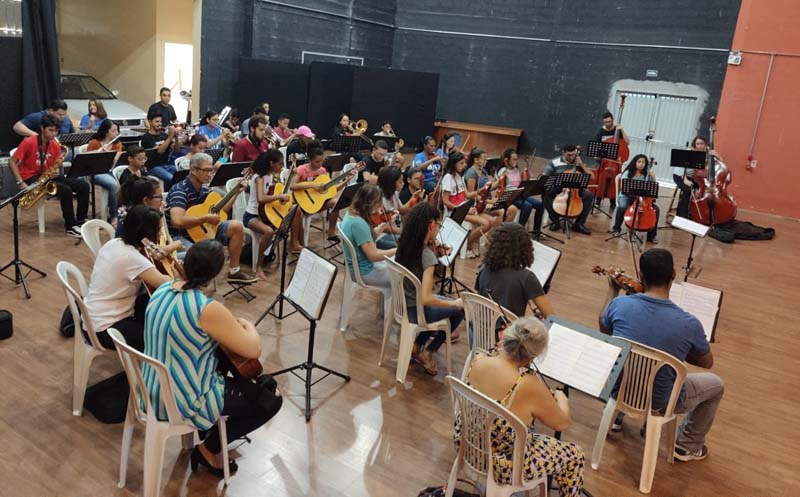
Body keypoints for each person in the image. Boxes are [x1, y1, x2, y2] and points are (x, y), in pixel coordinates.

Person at [143, 240, 281, 477]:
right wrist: (248, 324)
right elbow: (253, 349)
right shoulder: (205, 308)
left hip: (150, 388)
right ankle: (208, 448)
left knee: (260, 383)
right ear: (215, 273)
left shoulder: (162, 289)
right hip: (182, 399)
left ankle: (210, 433)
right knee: (271, 400)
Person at [599, 248, 724, 461]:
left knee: (629, 358)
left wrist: (612, 291)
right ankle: (686, 445)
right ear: (673, 275)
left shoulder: (620, 304)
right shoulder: (689, 323)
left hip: (618, 389)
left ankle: (617, 417)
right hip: (661, 401)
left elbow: (604, 328)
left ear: (640, 276)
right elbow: (707, 363)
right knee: (716, 384)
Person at [461, 318, 585, 497]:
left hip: (469, 446)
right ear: (533, 355)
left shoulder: (479, 360)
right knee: (575, 455)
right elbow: (562, 424)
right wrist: (561, 397)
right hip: (502, 465)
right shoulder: (527, 383)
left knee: (526, 423)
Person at [85, 205, 171, 351]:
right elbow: (165, 283)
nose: (159, 235)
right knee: (163, 343)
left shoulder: (114, 243)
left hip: (92, 318)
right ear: (147, 235)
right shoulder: (133, 258)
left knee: (150, 303)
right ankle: (145, 372)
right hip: (106, 328)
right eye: (158, 231)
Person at [395, 203, 464, 375]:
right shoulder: (427, 256)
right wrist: (455, 302)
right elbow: (427, 298)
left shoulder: (405, 244)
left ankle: (417, 346)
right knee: (460, 309)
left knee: (450, 304)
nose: (439, 229)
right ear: (431, 225)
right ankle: (428, 351)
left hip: (403, 305)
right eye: (439, 225)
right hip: (417, 311)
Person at [166, 152, 257, 283]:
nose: (210, 174)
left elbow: (222, 211)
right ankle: (193, 284)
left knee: (236, 226)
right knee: (200, 253)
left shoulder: (204, 190)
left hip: (202, 230)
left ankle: (234, 271)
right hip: (179, 236)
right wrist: (205, 219)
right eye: (206, 170)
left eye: (211, 170)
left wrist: (236, 192)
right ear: (193, 170)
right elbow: (177, 221)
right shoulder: (180, 191)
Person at [9, 114, 89, 237]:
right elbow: (12, 162)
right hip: (31, 177)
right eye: (50, 130)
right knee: (66, 191)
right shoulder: (29, 142)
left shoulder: (55, 145)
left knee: (83, 186)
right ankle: (70, 226)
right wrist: (20, 182)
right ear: (42, 128)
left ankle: (81, 220)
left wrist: (56, 170)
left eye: (56, 131)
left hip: (47, 176)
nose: (53, 134)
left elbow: (54, 166)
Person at [476, 222, 554, 322]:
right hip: (507, 335)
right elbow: (552, 318)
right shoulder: (526, 277)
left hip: (477, 333)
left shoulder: (483, 268)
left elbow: (482, 299)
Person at [290, 147, 357, 248]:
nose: (320, 164)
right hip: (302, 204)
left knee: (335, 202)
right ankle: (295, 243)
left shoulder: (322, 171)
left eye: (321, 161)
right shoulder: (302, 169)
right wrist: (312, 185)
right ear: (310, 160)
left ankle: (331, 232)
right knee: (297, 210)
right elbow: (292, 186)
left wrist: (346, 181)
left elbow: (332, 190)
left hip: (317, 204)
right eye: (317, 161)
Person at [441, 151, 500, 258]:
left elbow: (467, 195)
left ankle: (469, 244)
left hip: (465, 209)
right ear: (454, 163)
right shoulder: (448, 178)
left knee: (491, 220)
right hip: (455, 212)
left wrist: (481, 190)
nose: (464, 166)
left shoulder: (459, 177)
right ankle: (465, 244)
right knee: (485, 223)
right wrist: (464, 210)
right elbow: (446, 201)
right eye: (461, 163)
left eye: (464, 163)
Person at [339, 184, 397, 289]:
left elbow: (367, 238)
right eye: (378, 204)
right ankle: (397, 305)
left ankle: (390, 303)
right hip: (364, 272)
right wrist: (397, 250)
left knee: (397, 263)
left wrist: (384, 224)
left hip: (357, 266)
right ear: (371, 204)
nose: (380, 207)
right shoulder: (359, 224)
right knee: (404, 278)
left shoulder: (350, 214)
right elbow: (373, 256)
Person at [245, 150, 285, 280]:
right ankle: (258, 266)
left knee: (284, 224)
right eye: (280, 164)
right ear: (271, 163)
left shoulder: (270, 175)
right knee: (268, 232)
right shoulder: (259, 177)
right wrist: (279, 196)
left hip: (265, 214)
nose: (282, 166)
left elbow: (270, 196)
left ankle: (268, 254)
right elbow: (261, 199)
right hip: (251, 216)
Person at [542, 144, 593, 235]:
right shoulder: (554, 162)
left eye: (573, 154)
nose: (571, 157)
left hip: (575, 189)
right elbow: (545, 177)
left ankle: (579, 224)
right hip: (559, 188)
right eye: (569, 155)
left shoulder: (578, 162)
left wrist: (581, 165)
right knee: (545, 193)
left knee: (588, 195)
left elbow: (592, 176)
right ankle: (555, 221)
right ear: (563, 152)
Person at [611, 154, 660, 242]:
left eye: (643, 162)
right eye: (639, 162)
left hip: (641, 198)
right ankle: (616, 229)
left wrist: (653, 177)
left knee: (656, 209)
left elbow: (652, 188)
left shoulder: (646, 175)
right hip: (626, 196)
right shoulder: (628, 172)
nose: (641, 164)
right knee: (622, 207)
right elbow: (623, 187)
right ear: (635, 162)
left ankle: (651, 236)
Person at [497, 148, 545, 233]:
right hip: (510, 196)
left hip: (520, 194)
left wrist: (527, 176)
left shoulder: (515, 169)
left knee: (540, 205)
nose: (516, 161)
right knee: (527, 206)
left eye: (516, 159)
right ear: (506, 160)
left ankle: (537, 230)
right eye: (514, 159)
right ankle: (519, 230)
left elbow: (520, 183)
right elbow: (501, 187)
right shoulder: (503, 171)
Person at [86, 119, 123, 224]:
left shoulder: (117, 144)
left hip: (111, 170)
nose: (116, 133)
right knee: (113, 185)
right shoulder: (94, 142)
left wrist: (111, 156)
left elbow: (116, 161)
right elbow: (87, 160)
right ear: (106, 131)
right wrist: (99, 153)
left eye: (117, 130)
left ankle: (124, 212)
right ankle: (114, 215)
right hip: (96, 172)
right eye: (114, 130)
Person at [463, 147, 511, 224]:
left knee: (508, 210)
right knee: (502, 211)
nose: (486, 161)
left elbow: (490, 187)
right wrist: (489, 201)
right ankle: (495, 235)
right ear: (476, 160)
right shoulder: (471, 174)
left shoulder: (483, 170)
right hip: (478, 204)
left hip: (486, 200)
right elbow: (472, 196)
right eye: (484, 159)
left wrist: (501, 178)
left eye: (486, 159)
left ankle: (499, 232)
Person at [673, 136, 716, 218]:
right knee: (687, 190)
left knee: (704, 190)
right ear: (694, 145)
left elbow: (719, 163)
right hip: (680, 175)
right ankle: (681, 216)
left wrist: (715, 155)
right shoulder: (689, 152)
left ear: (705, 144)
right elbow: (681, 167)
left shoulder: (708, 153)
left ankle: (695, 211)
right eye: (697, 144)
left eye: (701, 144)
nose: (699, 146)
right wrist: (685, 180)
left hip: (695, 177)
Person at [594, 111, 630, 210]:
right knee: (601, 179)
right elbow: (596, 148)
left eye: (609, 122)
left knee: (615, 180)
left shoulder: (617, 130)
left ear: (613, 120)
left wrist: (622, 130)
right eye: (606, 122)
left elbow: (627, 143)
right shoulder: (600, 132)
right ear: (603, 122)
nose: (608, 124)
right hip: (604, 161)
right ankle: (598, 199)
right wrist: (597, 156)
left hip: (616, 162)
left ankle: (613, 200)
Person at [141, 110, 181, 184]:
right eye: (157, 121)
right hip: (153, 167)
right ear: (150, 122)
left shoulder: (164, 135)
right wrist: (170, 137)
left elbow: (177, 149)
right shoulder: (146, 137)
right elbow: (159, 151)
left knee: (182, 173)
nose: (159, 124)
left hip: (167, 165)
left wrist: (176, 137)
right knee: (171, 178)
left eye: (160, 121)